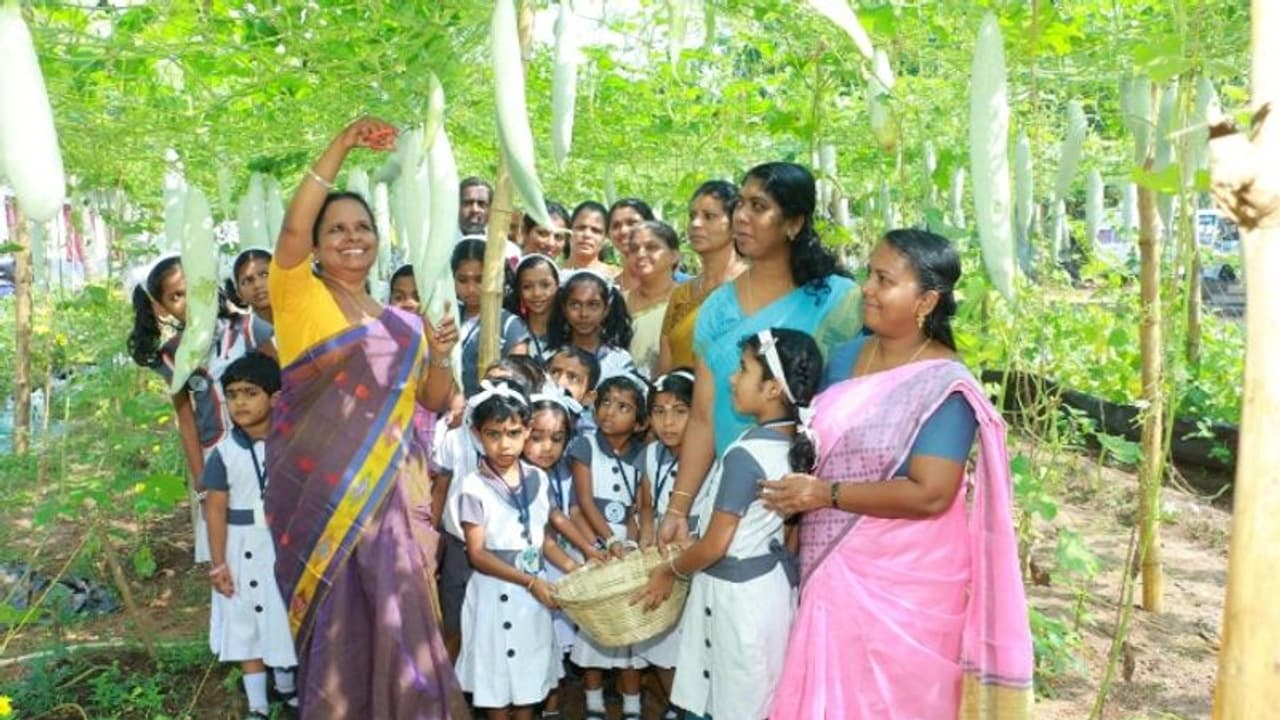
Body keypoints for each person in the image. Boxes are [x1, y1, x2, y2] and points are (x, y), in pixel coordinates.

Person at [760, 229, 1033, 719]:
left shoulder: (945, 386)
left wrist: (825, 494)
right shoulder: (847, 357)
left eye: (884, 279)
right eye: (869, 274)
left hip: (905, 582)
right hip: (832, 566)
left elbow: (931, 493)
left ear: (926, 300)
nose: (866, 287)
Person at [263, 117, 468, 719]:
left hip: (394, 509)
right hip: (320, 510)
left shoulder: (402, 322)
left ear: (379, 239)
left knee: (405, 636)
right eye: (337, 229)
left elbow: (431, 401)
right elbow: (292, 226)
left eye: (363, 228)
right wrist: (342, 143)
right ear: (319, 243)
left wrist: (441, 352)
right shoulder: (298, 296)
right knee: (337, 638)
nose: (351, 238)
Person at [658, 162, 862, 549]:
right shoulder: (718, 307)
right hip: (729, 501)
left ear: (794, 223)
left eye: (759, 206)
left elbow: (843, 417)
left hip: (804, 506)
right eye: (740, 205)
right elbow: (703, 416)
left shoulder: (837, 302)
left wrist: (807, 509)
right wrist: (678, 508)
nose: (742, 217)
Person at [127, 255, 275, 563]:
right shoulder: (172, 356)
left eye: (194, 289)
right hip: (216, 455)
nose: (188, 301)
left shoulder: (248, 329)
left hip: (267, 451)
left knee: (271, 536)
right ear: (161, 307)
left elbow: (282, 386)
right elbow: (187, 420)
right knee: (230, 547)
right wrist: (201, 482)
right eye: (176, 296)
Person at [454, 380, 575, 719]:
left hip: (532, 596)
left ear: (526, 432)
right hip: (496, 593)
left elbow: (545, 540)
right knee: (495, 677)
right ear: (478, 435)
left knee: (529, 676)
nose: (504, 444)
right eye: (493, 434)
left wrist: (574, 567)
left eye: (512, 433)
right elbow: (477, 554)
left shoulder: (537, 478)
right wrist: (529, 581)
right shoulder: (473, 487)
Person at [202, 352, 298, 719]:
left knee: (281, 616)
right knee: (244, 621)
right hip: (239, 545)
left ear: (274, 398)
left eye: (250, 393)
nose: (239, 402)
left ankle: (289, 691)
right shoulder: (224, 453)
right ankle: (258, 705)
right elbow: (214, 509)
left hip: (281, 546)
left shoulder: (292, 443)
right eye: (232, 394)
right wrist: (217, 563)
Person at [567, 373, 653, 720]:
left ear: (640, 421)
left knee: (628, 627)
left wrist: (630, 542)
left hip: (626, 547)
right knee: (595, 625)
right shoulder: (585, 446)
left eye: (623, 407)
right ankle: (592, 701)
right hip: (594, 542)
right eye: (604, 402)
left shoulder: (645, 455)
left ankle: (632, 703)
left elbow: (639, 505)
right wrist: (608, 542)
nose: (609, 412)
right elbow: (585, 502)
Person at [634, 367, 695, 719]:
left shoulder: (711, 454)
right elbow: (646, 508)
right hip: (661, 562)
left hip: (696, 562)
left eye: (680, 411)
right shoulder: (652, 454)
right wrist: (644, 540)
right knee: (661, 645)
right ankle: (678, 702)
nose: (668, 422)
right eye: (659, 411)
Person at [656, 181, 746, 375]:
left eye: (709, 217)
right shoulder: (681, 294)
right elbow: (665, 366)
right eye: (692, 216)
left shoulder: (749, 287)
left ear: (735, 225)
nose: (695, 224)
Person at [452, 238, 532, 397]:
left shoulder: (511, 326)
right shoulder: (449, 316)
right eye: (462, 280)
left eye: (479, 279)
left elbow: (517, 381)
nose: (471, 289)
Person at [546, 270, 636, 383]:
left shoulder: (619, 360)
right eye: (575, 305)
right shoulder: (551, 356)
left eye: (593, 305)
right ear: (564, 308)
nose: (584, 314)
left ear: (606, 309)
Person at [388, 264, 439, 462]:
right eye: (399, 297)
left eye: (417, 297)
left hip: (425, 432)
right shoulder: (381, 338)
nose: (408, 303)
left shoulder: (438, 340)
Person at [622, 221, 681, 378]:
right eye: (634, 249)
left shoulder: (686, 302)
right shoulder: (618, 303)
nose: (641, 254)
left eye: (651, 247)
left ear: (674, 256)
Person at [506, 254, 560, 361]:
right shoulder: (510, 330)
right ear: (519, 291)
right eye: (527, 287)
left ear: (557, 285)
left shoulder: (569, 331)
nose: (537, 293)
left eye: (545, 285)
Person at [606, 198, 655, 292]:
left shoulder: (679, 283)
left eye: (632, 223)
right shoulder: (608, 289)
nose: (623, 231)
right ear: (608, 234)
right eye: (616, 225)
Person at [564, 201, 614, 276]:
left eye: (596, 231)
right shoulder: (551, 273)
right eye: (581, 228)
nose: (587, 235)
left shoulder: (618, 277)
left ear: (605, 239)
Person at [231, 248, 274, 325]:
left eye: (265, 274)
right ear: (239, 293)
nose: (257, 285)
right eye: (247, 281)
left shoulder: (301, 318)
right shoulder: (238, 334)